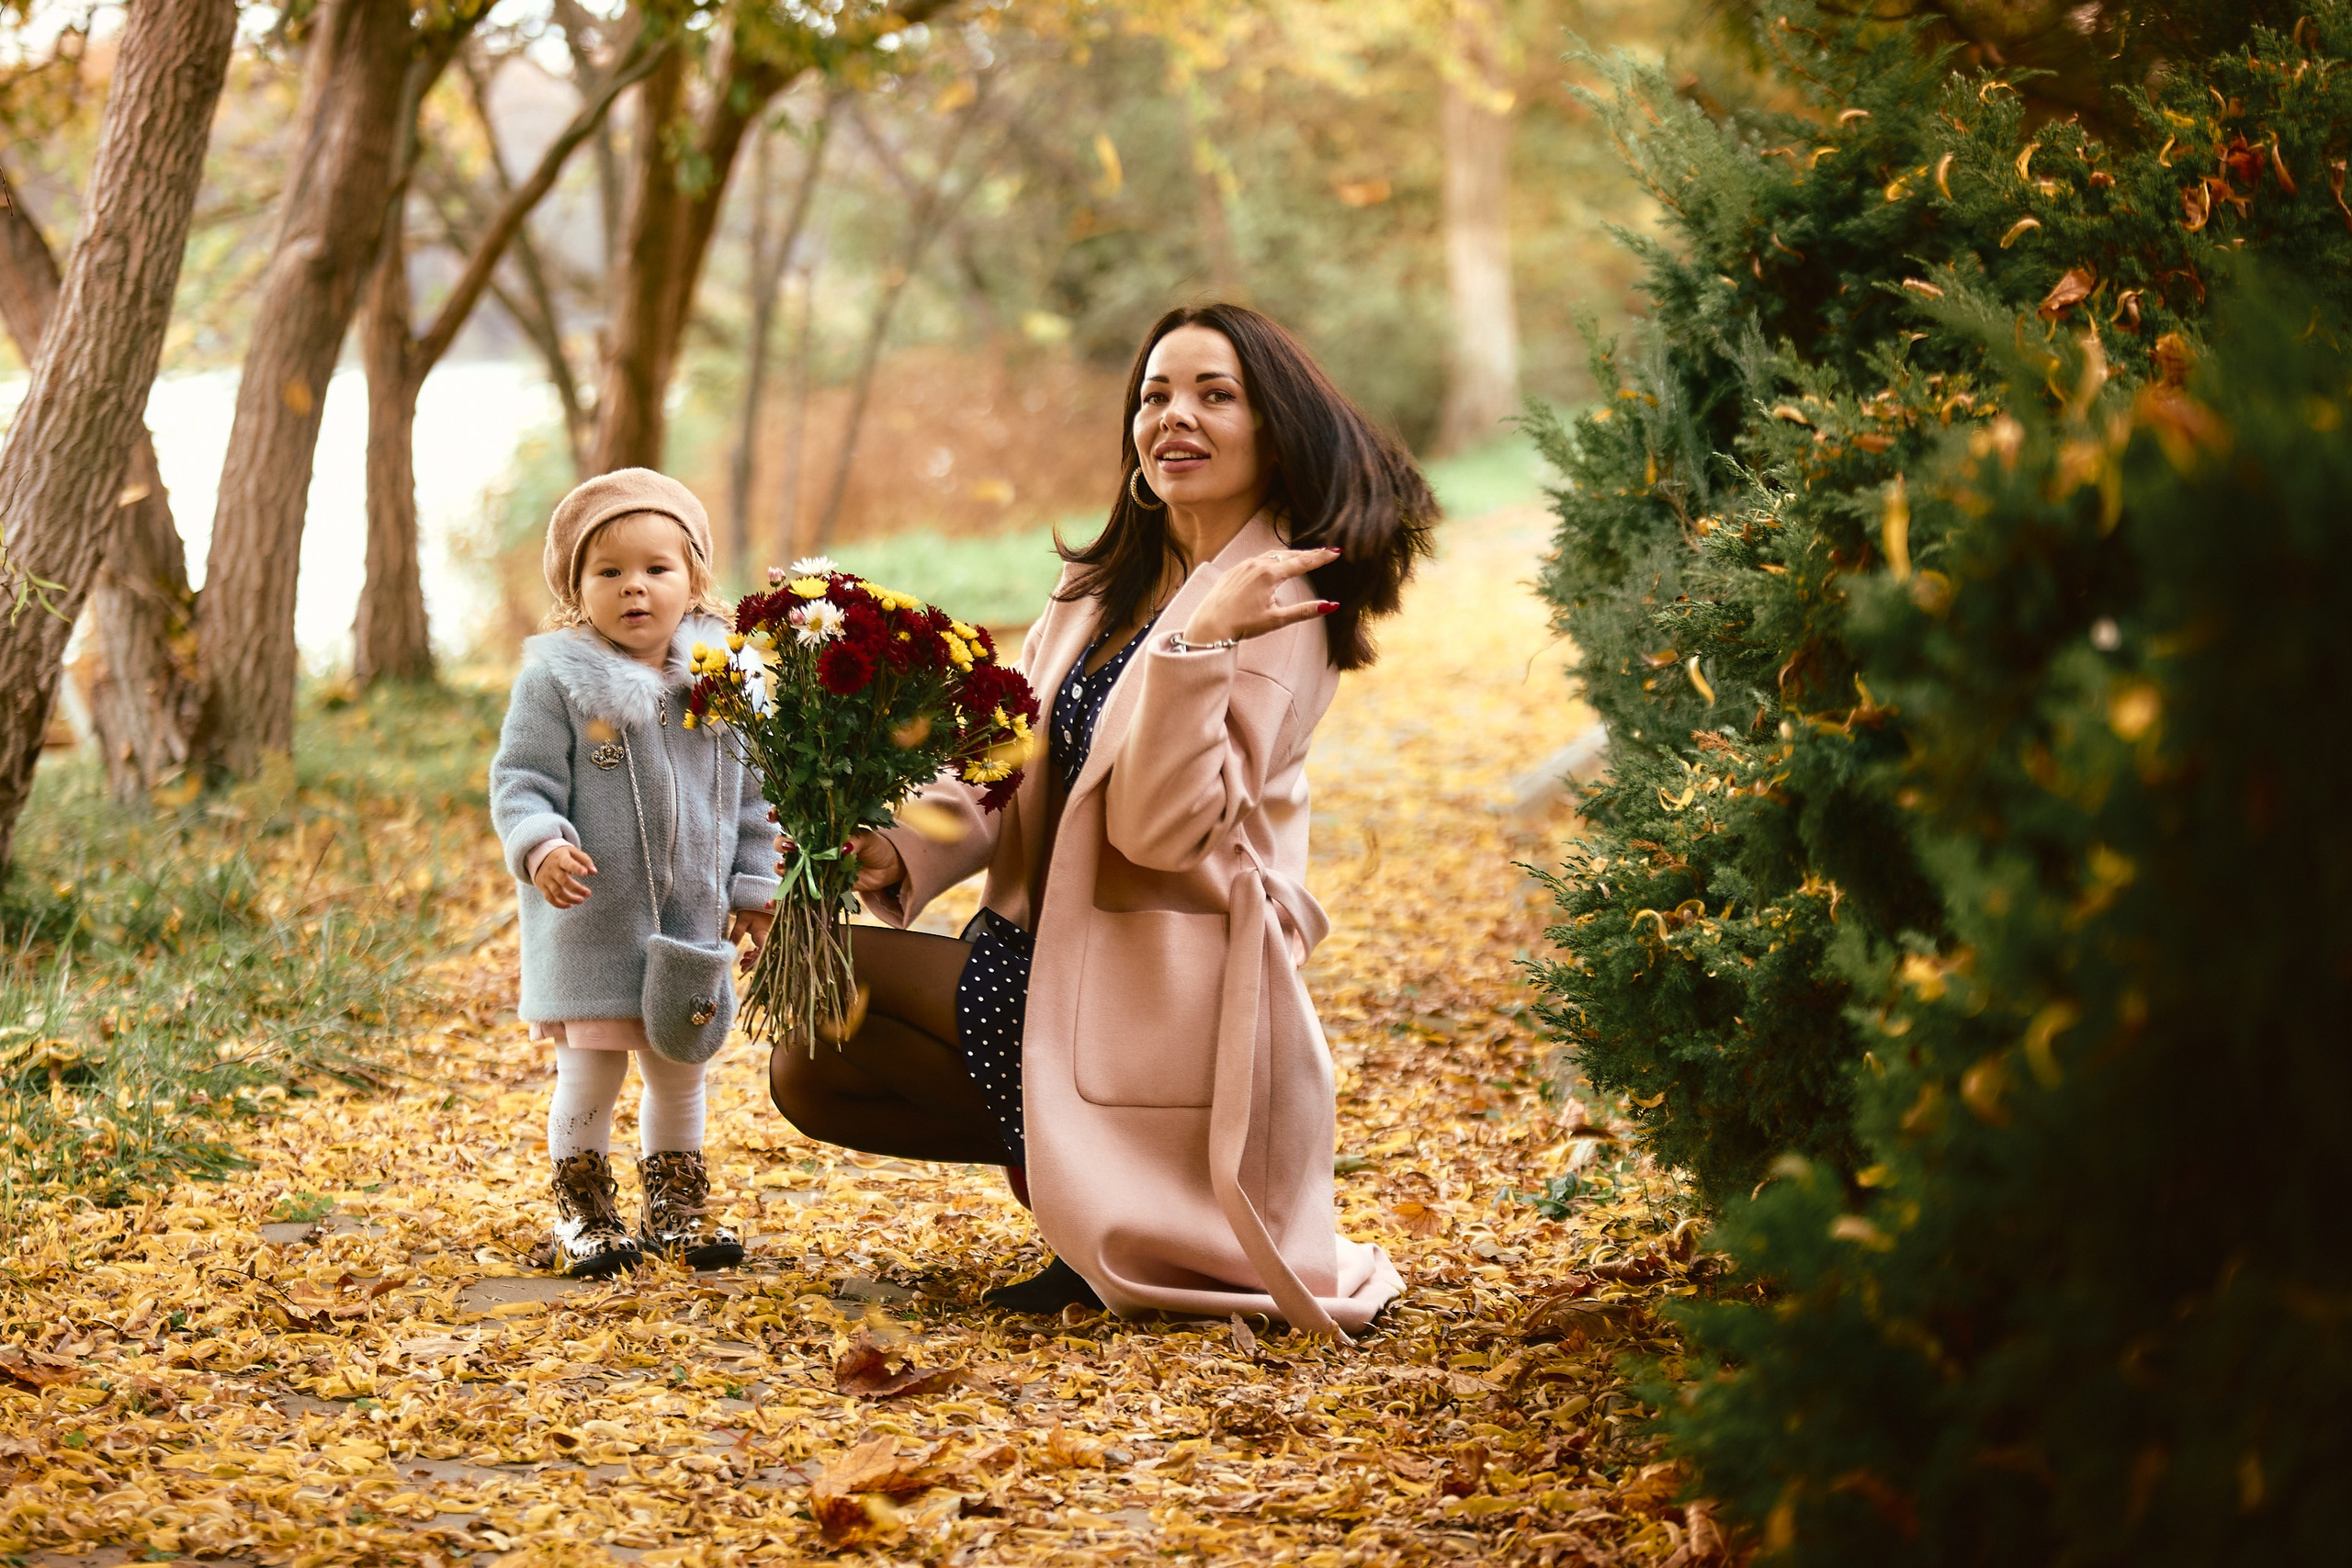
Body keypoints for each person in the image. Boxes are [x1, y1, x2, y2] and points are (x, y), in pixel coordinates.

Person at [769, 304, 1435, 1332]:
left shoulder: (1278, 604)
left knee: (839, 983)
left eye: (1216, 395)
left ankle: (1120, 1203)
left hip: (1164, 985)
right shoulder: (1097, 586)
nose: (1176, 416)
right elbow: (1005, 760)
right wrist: (885, 846)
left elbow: (1162, 833)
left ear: (1275, 428)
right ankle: (1093, 1205)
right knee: (810, 1063)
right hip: (1039, 952)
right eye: (1155, 395)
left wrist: (1196, 648)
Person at [490, 469, 778, 1278]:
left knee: (680, 1067)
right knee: (591, 1068)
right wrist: (542, 845)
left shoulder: (721, 685)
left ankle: (677, 1203)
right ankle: (582, 1207)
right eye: (609, 572)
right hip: (592, 922)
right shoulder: (558, 681)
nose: (635, 588)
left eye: (656, 568)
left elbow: (756, 800)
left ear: (693, 580)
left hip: (688, 922)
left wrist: (754, 891)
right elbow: (521, 781)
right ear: (578, 589)